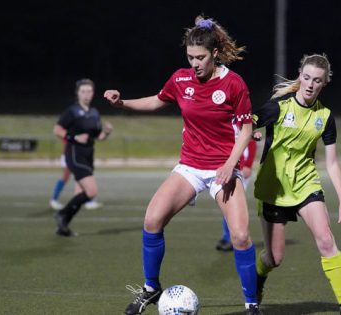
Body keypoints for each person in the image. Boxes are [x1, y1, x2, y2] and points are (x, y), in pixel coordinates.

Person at [103, 16, 260, 315]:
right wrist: (122, 103)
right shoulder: (181, 79)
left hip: (222, 169)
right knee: (152, 220)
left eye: (200, 58)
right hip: (190, 166)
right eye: (190, 57)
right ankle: (151, 288)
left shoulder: (234, 84)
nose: (195, 63)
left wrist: (230, 165)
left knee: (240, 236)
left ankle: (251, 305)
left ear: (214, 54)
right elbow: (156, 100)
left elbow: (246, 130)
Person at [252, 54, 341, 315]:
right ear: (300, 75)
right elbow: (247, 124)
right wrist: (251, 132)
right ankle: (257, 282)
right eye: (307, 77)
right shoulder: (278, 106)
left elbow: (332, 163)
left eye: (318, 81)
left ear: (325, 84)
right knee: (274, 258)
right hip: (273, 188)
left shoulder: (325, 116)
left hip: (306, 184)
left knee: (325, 240)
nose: (311, 84)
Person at [53, 78, 113, 237]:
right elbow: (57, 130)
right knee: (92, 191)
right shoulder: (72, 111)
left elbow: (98, 137)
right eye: (83, 91)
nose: (87, 94)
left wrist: (106, 132)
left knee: (79, 194)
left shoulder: (94, 113)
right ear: (78, 93)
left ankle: (63, 225)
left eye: (89, 91)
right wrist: (74, 138)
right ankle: (61, 214)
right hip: (74, 155)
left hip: (88, 156)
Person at [216, 139, 257, 252]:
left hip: (240, 169)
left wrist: (248, 165)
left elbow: (251, 143)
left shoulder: (242, 123)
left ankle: (229, 238)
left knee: (233, 206)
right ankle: (228, 237)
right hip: (228, 168)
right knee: (227, 204)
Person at [49, 141, 103, 211]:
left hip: (75, 156)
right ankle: (54, 200)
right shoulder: (72, 132)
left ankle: (88, 200)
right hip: (69, 156)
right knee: (66, 177)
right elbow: (67, 142)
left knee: (81, 177)